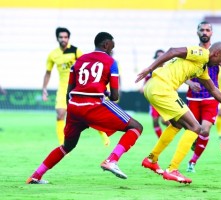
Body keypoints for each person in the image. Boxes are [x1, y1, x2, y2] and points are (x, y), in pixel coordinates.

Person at [26, 32, 143, 184]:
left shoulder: (79, 60)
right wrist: (106, 93)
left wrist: (73, 113)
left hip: (74, 106)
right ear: (106, 44)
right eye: (112, 46)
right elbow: (114, 96)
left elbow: (69, 91)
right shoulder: (111, 62)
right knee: (136, 127)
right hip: (94, 105)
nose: (113, 49)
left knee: (67, 146)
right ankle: (112, 160)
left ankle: (35, 176)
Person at [135, 42, 221, 184]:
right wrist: (149, 68)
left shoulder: (202, 68)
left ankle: (151, 159)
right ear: (216, 54)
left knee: (177, 124)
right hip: (162, 88)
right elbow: (173, 51)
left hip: (154, 87)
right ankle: (172, 169)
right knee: (195, 127)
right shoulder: (202, 54)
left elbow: (213, 90)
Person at [185, 21, 221, 173]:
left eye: (208, 30)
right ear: (197, 32)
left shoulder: (218, 53)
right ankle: (192, 143)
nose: (205, 32)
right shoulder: (192, 52)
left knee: (205, 130)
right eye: (202, 30)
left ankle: (192, 162)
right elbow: (182, 74)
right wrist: (190, 82)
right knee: (191, 130)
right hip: (193, 98)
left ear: (212, 33)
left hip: (210, 98)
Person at [42, 27, 108, 146]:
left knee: (89, 114)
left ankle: (103, 133)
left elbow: (87, 65)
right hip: (63, 89)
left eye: (65, 37)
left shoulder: (75, 51)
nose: (63, 39)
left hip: (78, 88)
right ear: (57, 38)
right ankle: (63, 145)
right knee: (60, 114)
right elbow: (48, 72)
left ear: (69, 38)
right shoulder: (53, 55)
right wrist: (44, 89)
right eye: (61, 37)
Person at [139, 49, 169, 138]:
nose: (161, 58)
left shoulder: (168, 70)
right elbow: (145, 84)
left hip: (166, 98)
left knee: (165, 121)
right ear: (155, 58)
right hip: (154, 100)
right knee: (155, 121)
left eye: (162, 56)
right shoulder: (151, 70)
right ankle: (160, 139)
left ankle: (168, 135)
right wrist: (143, 88)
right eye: (158, 56)